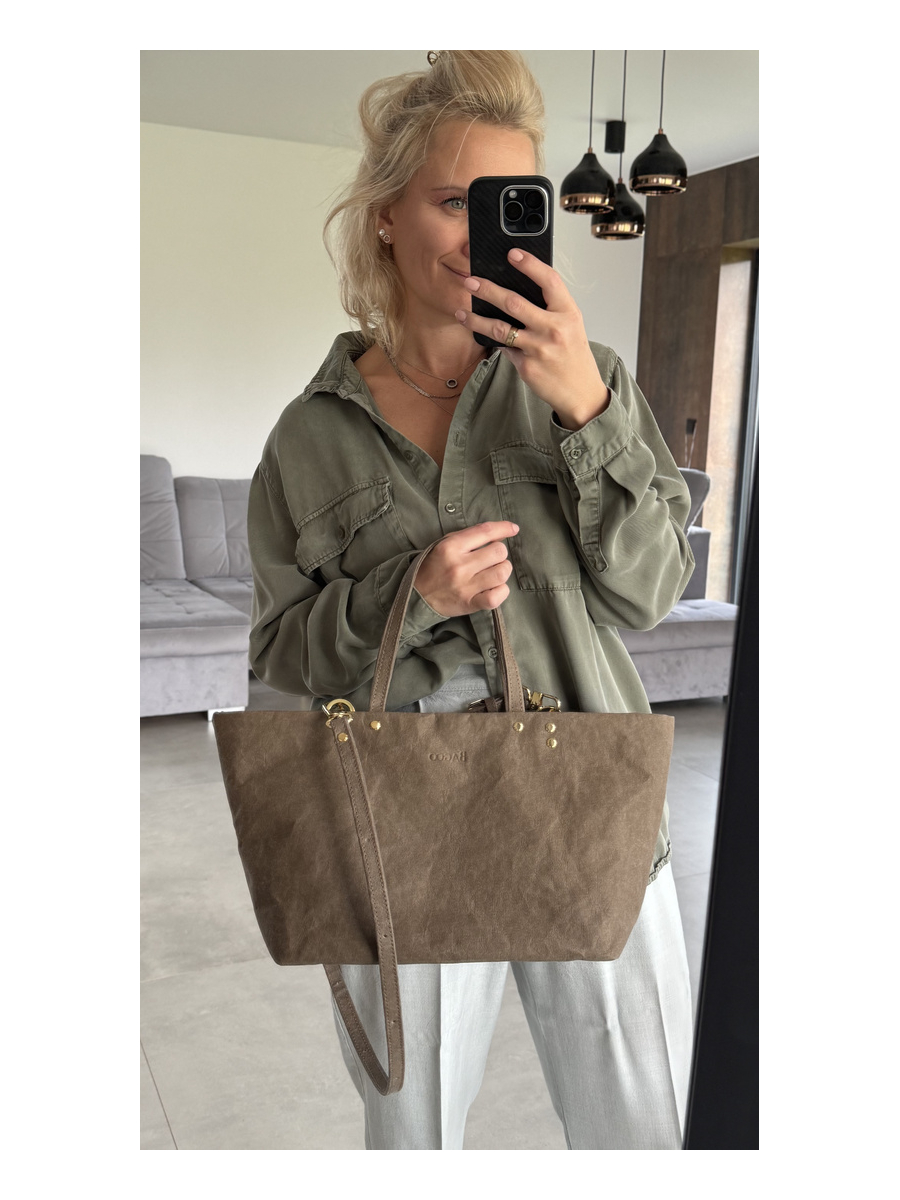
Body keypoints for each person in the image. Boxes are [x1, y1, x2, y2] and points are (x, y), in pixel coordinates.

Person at [247, 50, 695, 1151]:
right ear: (385, 214)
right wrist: (414, 593)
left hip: (590, 795)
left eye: (511, 203)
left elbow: (649, 594)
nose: (482, 233)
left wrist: (587, 411)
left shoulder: (589, 380)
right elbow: (281, 653)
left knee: (645, 1127)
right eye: (455, 201)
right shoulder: (310, 436)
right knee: (413, 1136)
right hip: (398, 820)